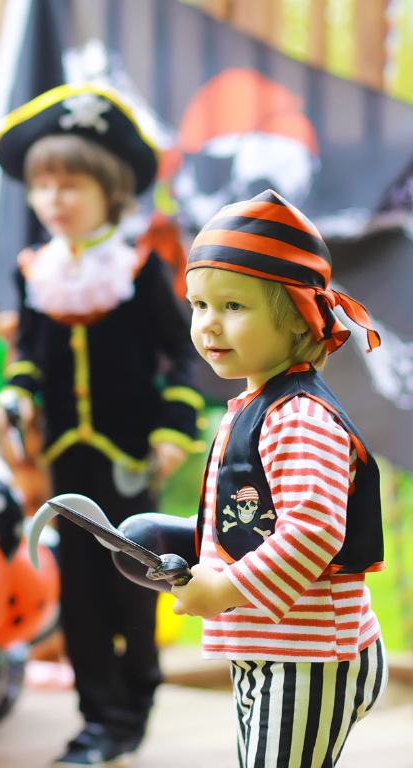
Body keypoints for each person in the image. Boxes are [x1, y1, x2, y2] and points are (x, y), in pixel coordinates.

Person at [0, 83, 204, 767]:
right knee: (78, 590)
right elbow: (29, 356)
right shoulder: (36, 272)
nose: (54, 198)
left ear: (110, 190)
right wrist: (16, 399)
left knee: (133, 586)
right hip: (64, 463)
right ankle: (98, 720)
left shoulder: (138, 269)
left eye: (70, 182)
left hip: (130, 459)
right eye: (42, 184)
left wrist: (174, 431)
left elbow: (183, 358)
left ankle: (135, 700)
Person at [173, 189, 388, 767]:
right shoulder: (257, 406)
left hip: (311, 654)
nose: (208, 324)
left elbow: (314, 529)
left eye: (233, 307)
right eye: (198, 305)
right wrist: (186, 540)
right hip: (277, 647)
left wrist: (222, 589)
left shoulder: (298, 417)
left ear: (297, 315)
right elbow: (251, 518)